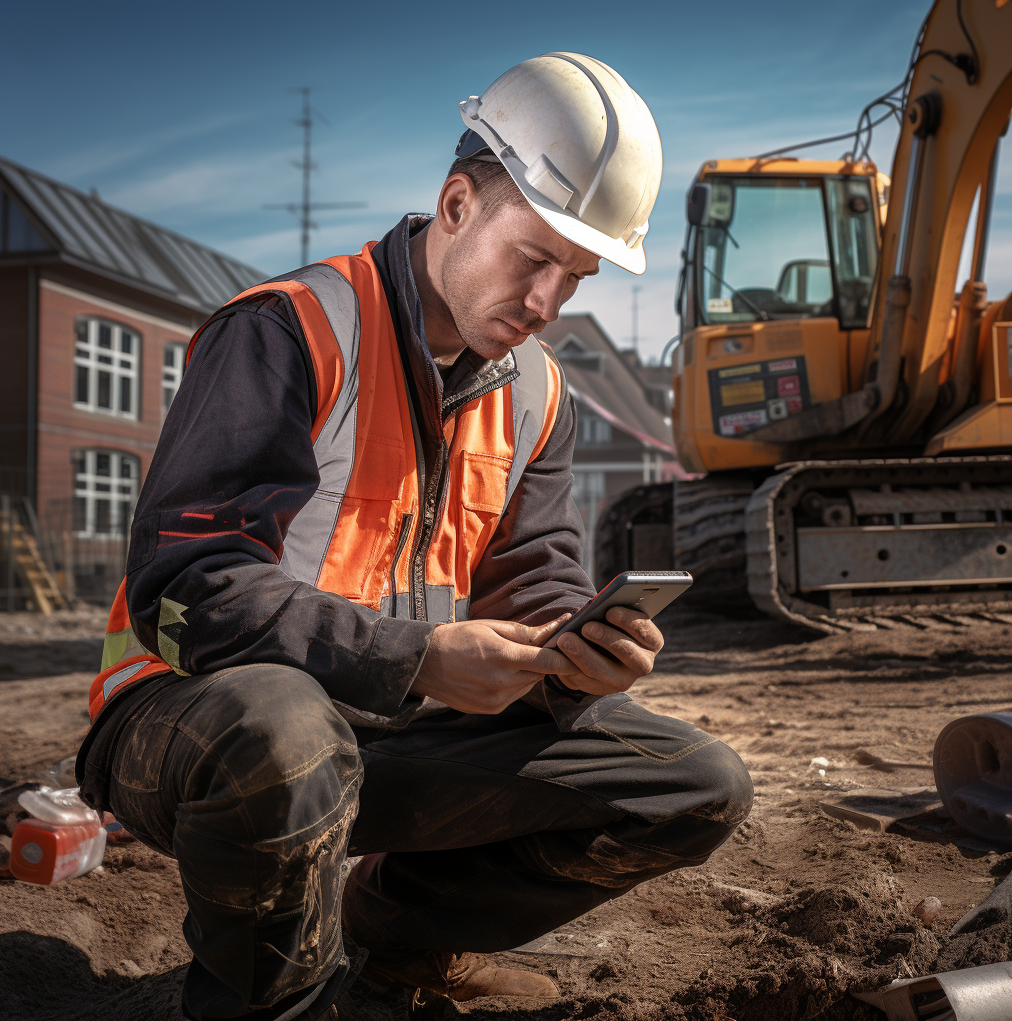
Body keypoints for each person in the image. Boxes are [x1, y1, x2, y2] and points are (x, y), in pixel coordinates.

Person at [77, 53, 753, 1021]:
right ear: (456, 205)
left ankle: (399, 947)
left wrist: (577, 645)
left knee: (692, 782)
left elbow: (533, 572)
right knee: (284, 729)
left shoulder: (539, 389)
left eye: (577, 275)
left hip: (386, 730)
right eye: (535, 259)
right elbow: (186, 585)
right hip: (187, 729)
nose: (548, 304)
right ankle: (274, 1003)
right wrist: (417, 656)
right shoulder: (289, 329)